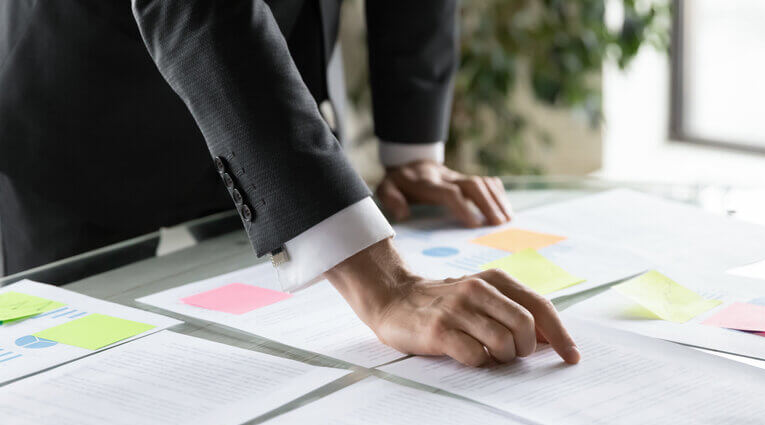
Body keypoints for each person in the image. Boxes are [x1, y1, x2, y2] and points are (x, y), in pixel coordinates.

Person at [0, 0, 579, 366]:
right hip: (75, 110)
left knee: (255, 368)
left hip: (260, 117)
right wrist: (386, 285)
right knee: (79, 377)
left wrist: (412, 152)